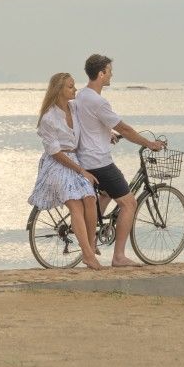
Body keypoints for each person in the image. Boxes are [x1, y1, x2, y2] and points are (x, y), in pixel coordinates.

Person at [74, 54, 164, 267]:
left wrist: (107, 134)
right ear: (101, 73)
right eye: (109, 71)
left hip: (84, 159)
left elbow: (87, 125)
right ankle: (119, 256)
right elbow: (124, 128)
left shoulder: (81, 96)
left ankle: (92, 237)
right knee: (129, 203)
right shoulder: (99, 101)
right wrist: (149, 143)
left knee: (105, 193)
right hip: (99, 162)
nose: (112, 74)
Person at [28, 72, 103, 270]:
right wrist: (81, 170)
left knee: (90, 198)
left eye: (74, 85)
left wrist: (109, 132)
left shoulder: (75, 107)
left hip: (74, 159)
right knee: (76, 206)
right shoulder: (48, 118)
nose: (75, 89)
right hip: (57, 164)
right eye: (71, 86)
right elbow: (54, 152)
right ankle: (88, 255)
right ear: (59, 90)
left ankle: (90, 244)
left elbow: (90, 123)